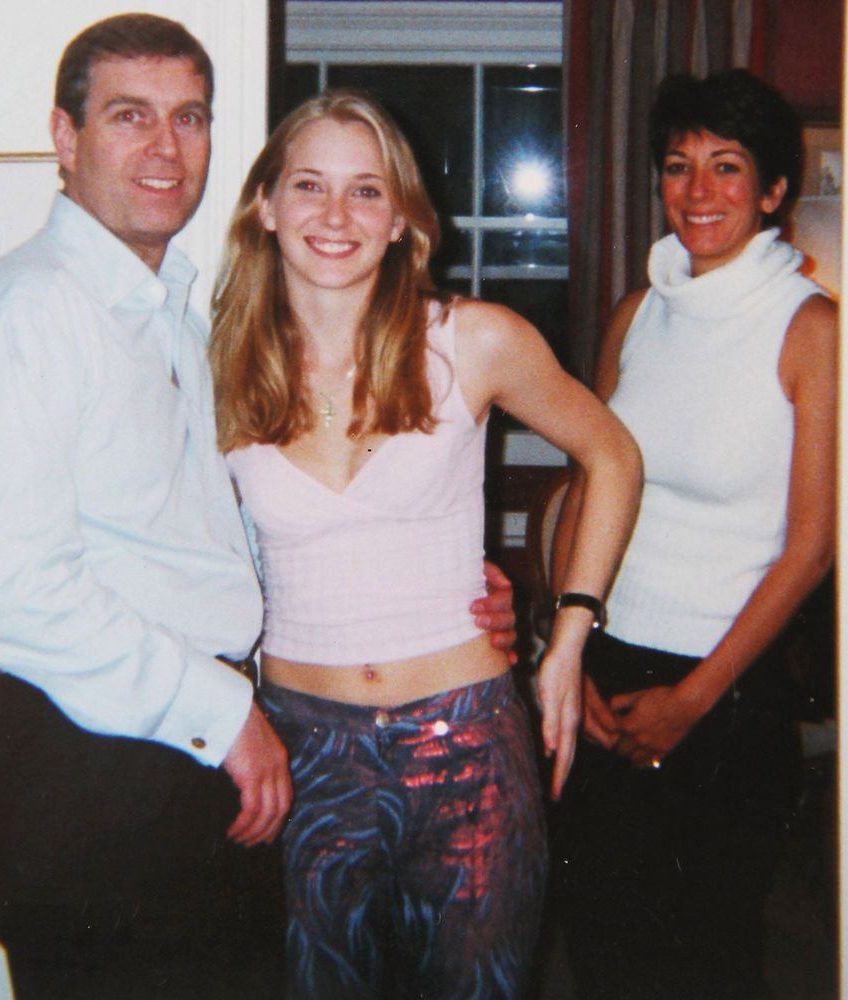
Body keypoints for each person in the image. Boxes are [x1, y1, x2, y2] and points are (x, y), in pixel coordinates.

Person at [0, 16, 517, 998]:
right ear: (66, 138)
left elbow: (206, 537)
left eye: (189, 118)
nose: (166, 147)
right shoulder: (33, 307)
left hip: (178, 766)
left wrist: (444, 583)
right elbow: (12, 590)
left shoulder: (173, 317)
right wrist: (224, 712)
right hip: (100, 774)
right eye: (130, 116)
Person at [210, 91, 643, 999]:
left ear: (402, 219)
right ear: (266, 205)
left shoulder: (473, 341)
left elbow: (612, 454)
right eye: (310, 186)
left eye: (367, 191)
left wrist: (568, 636)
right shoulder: (217, 365)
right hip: (300, 750)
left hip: (469, 748)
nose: (336, 215)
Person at [548, 69, 839, 1000]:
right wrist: (569, 652)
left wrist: (696, 699)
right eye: (678, 166)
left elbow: (812, 545)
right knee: (600, 945)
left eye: (727, 166)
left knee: (706, 961)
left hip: (728, 689)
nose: (698, 190)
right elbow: (587, 486)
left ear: (773, 190)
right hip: (605, 665)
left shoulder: (811, 329)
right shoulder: (637, 314)